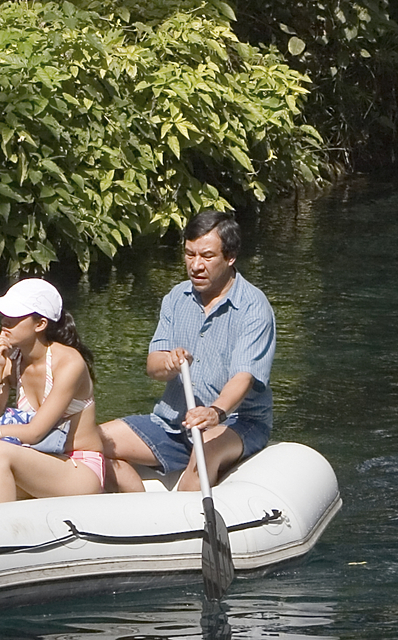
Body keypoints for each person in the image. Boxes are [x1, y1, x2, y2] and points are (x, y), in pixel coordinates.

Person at [99, 209, 274, 493]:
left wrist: (215, 412)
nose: (196, 265)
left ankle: (186, 522)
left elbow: (244, 376)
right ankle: (138, 506)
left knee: (204, 451)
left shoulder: (254, 307)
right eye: (189, 255)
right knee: (93, 440)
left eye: (206, 256)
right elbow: (153, 366)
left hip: (238, 422)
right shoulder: (176, 298)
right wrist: (168, 362)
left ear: (230, 257)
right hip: (173, 423)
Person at [0, 278, 106, 510]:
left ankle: (1, 534)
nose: (5, 322)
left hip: (77, 469)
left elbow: (34, 433)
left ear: (40, 324)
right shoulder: (12, 359)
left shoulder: (69, 363)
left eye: (15, 317)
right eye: (4, 315)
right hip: (37, 460)